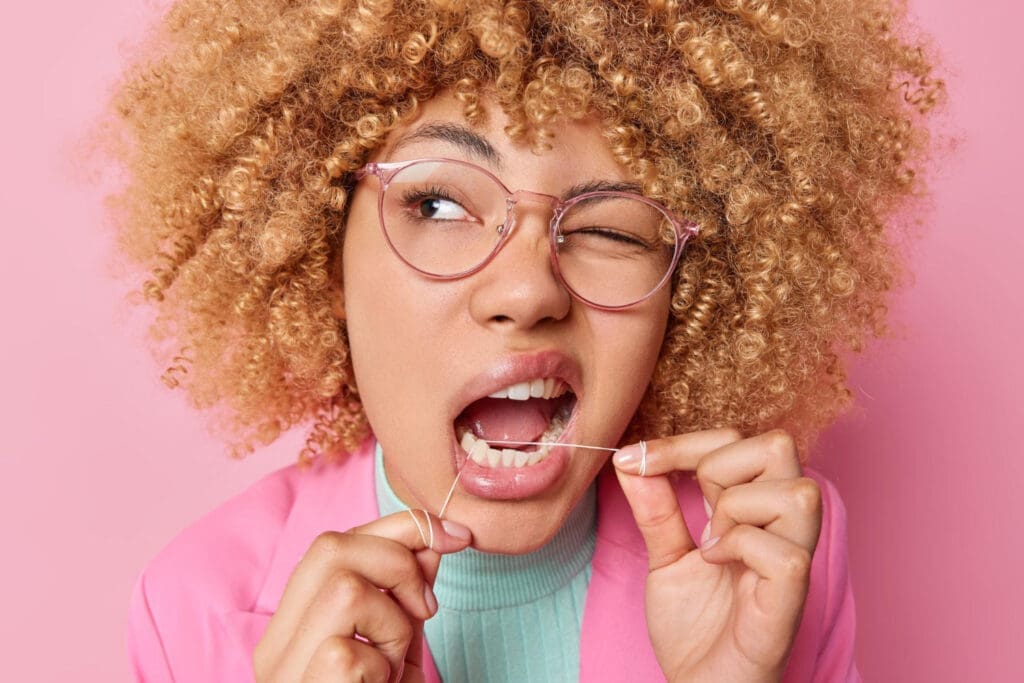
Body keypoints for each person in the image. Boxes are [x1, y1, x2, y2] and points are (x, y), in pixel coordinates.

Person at [108, 0, 941, 680]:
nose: (530, 290)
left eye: (613, 228)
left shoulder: (771, 562)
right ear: (323, 255)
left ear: (688, 295)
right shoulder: (195, 614)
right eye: (437, 205)